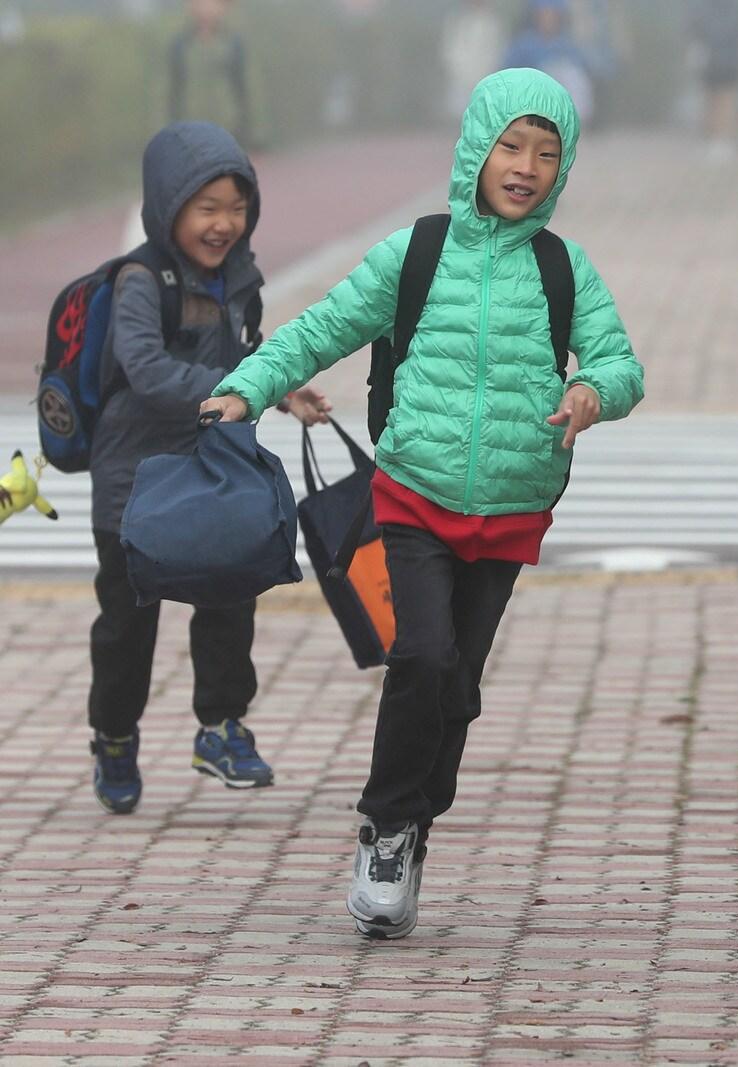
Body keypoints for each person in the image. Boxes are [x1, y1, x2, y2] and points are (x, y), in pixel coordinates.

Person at [200, 68, 644, 940]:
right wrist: (248, 386)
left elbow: (619, 362)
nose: (525, 167)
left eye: (546, 154)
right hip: (413, 491)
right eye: (510, 147)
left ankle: (415, 822)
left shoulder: (564, 268)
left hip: (513, 505)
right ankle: (387, 827)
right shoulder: (418, 252)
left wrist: (594, 390)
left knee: (459, 685)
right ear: (477, 150)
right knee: (423, 654)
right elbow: (323, 326)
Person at [88, 121, 331, 816]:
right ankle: (114, 734)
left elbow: (244, 361)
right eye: (207, 208)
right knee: (127, 628)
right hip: (133, 486)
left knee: (231, 591)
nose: (224, 223)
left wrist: (280, 390)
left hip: (208, 470)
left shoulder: (240, 278)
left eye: (237, 207)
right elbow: (146, 369)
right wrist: (233, 390)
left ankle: (221, 727)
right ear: (169, 207)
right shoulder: (142, 280)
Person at [169, 0, 252, 146]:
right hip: (190, 131)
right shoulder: (181, 45)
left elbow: (247, 89)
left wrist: (256, 135)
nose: (207, 8)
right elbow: (169, 91)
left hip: (229, 128)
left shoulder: (233, 43)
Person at [501, 0, 597, 126]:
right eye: (544, 14)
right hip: (531, 107)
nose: (548, 19)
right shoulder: (524, 44)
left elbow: (583, 77)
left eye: (553, 14)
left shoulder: (568, 45)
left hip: (563, 109)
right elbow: (508, 76)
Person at [687, 0, 738, 161]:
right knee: (720, 100)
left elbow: (692, 28)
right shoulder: (737, 8)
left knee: (718, 100)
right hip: (727, 59)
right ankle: (719, 141)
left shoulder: (703, 8)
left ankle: (719, 140)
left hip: (718, 59)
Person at [441, 0, 506, 122]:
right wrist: (459, 71)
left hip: (485, 80)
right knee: (458, 118)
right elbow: (449, 51)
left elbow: (496, 53)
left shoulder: (493, 23)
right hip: (460, 80)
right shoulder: (456, 20)